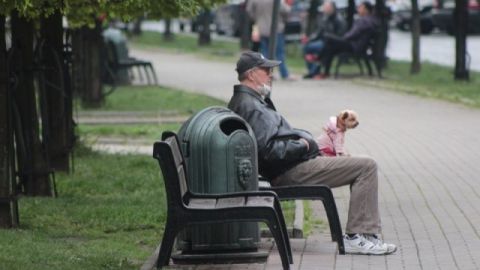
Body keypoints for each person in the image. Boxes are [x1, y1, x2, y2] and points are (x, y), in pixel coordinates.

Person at [228, 51, 397, 255]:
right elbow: (269, 152)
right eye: (267, 70)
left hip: (293, 166)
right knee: (366, 166)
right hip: (291, 171)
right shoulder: (250, 106)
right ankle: (356, 236)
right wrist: (304, 146)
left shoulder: (250, 101)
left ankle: (366, 235)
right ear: (252, 74)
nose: (271, 74)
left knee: (362, 164)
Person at [316, 1, 379, 78]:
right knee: (330, 45)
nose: (358, 9)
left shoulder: (365, 21)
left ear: (366, 9)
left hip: (355, 46)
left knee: (329, 38)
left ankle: (319, 60)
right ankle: (323, 69)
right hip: (357, 45)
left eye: (360, 7)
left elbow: (354, 33)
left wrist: (344, 38)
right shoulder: (369, 20)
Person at [247, 0, 296, 80]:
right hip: (276, 28)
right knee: (279, 52)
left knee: (264, 52)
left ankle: (266, 73)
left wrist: (257, 18)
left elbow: (249, 10)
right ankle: (285, 74)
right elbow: (286, 11)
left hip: (262, 28)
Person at [302, 1, 347, 78]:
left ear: (332, 8)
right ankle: (312, 71)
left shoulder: (339, 20)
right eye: (325, 7)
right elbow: (319, 32)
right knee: (306, 47)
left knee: (321, 49)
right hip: (324, 41)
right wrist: (309, 39)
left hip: (332, 43)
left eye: (326, 7)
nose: (325, 9)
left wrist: (328, 36)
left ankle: (314, 71)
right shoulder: (325, 18)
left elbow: (341, 36)